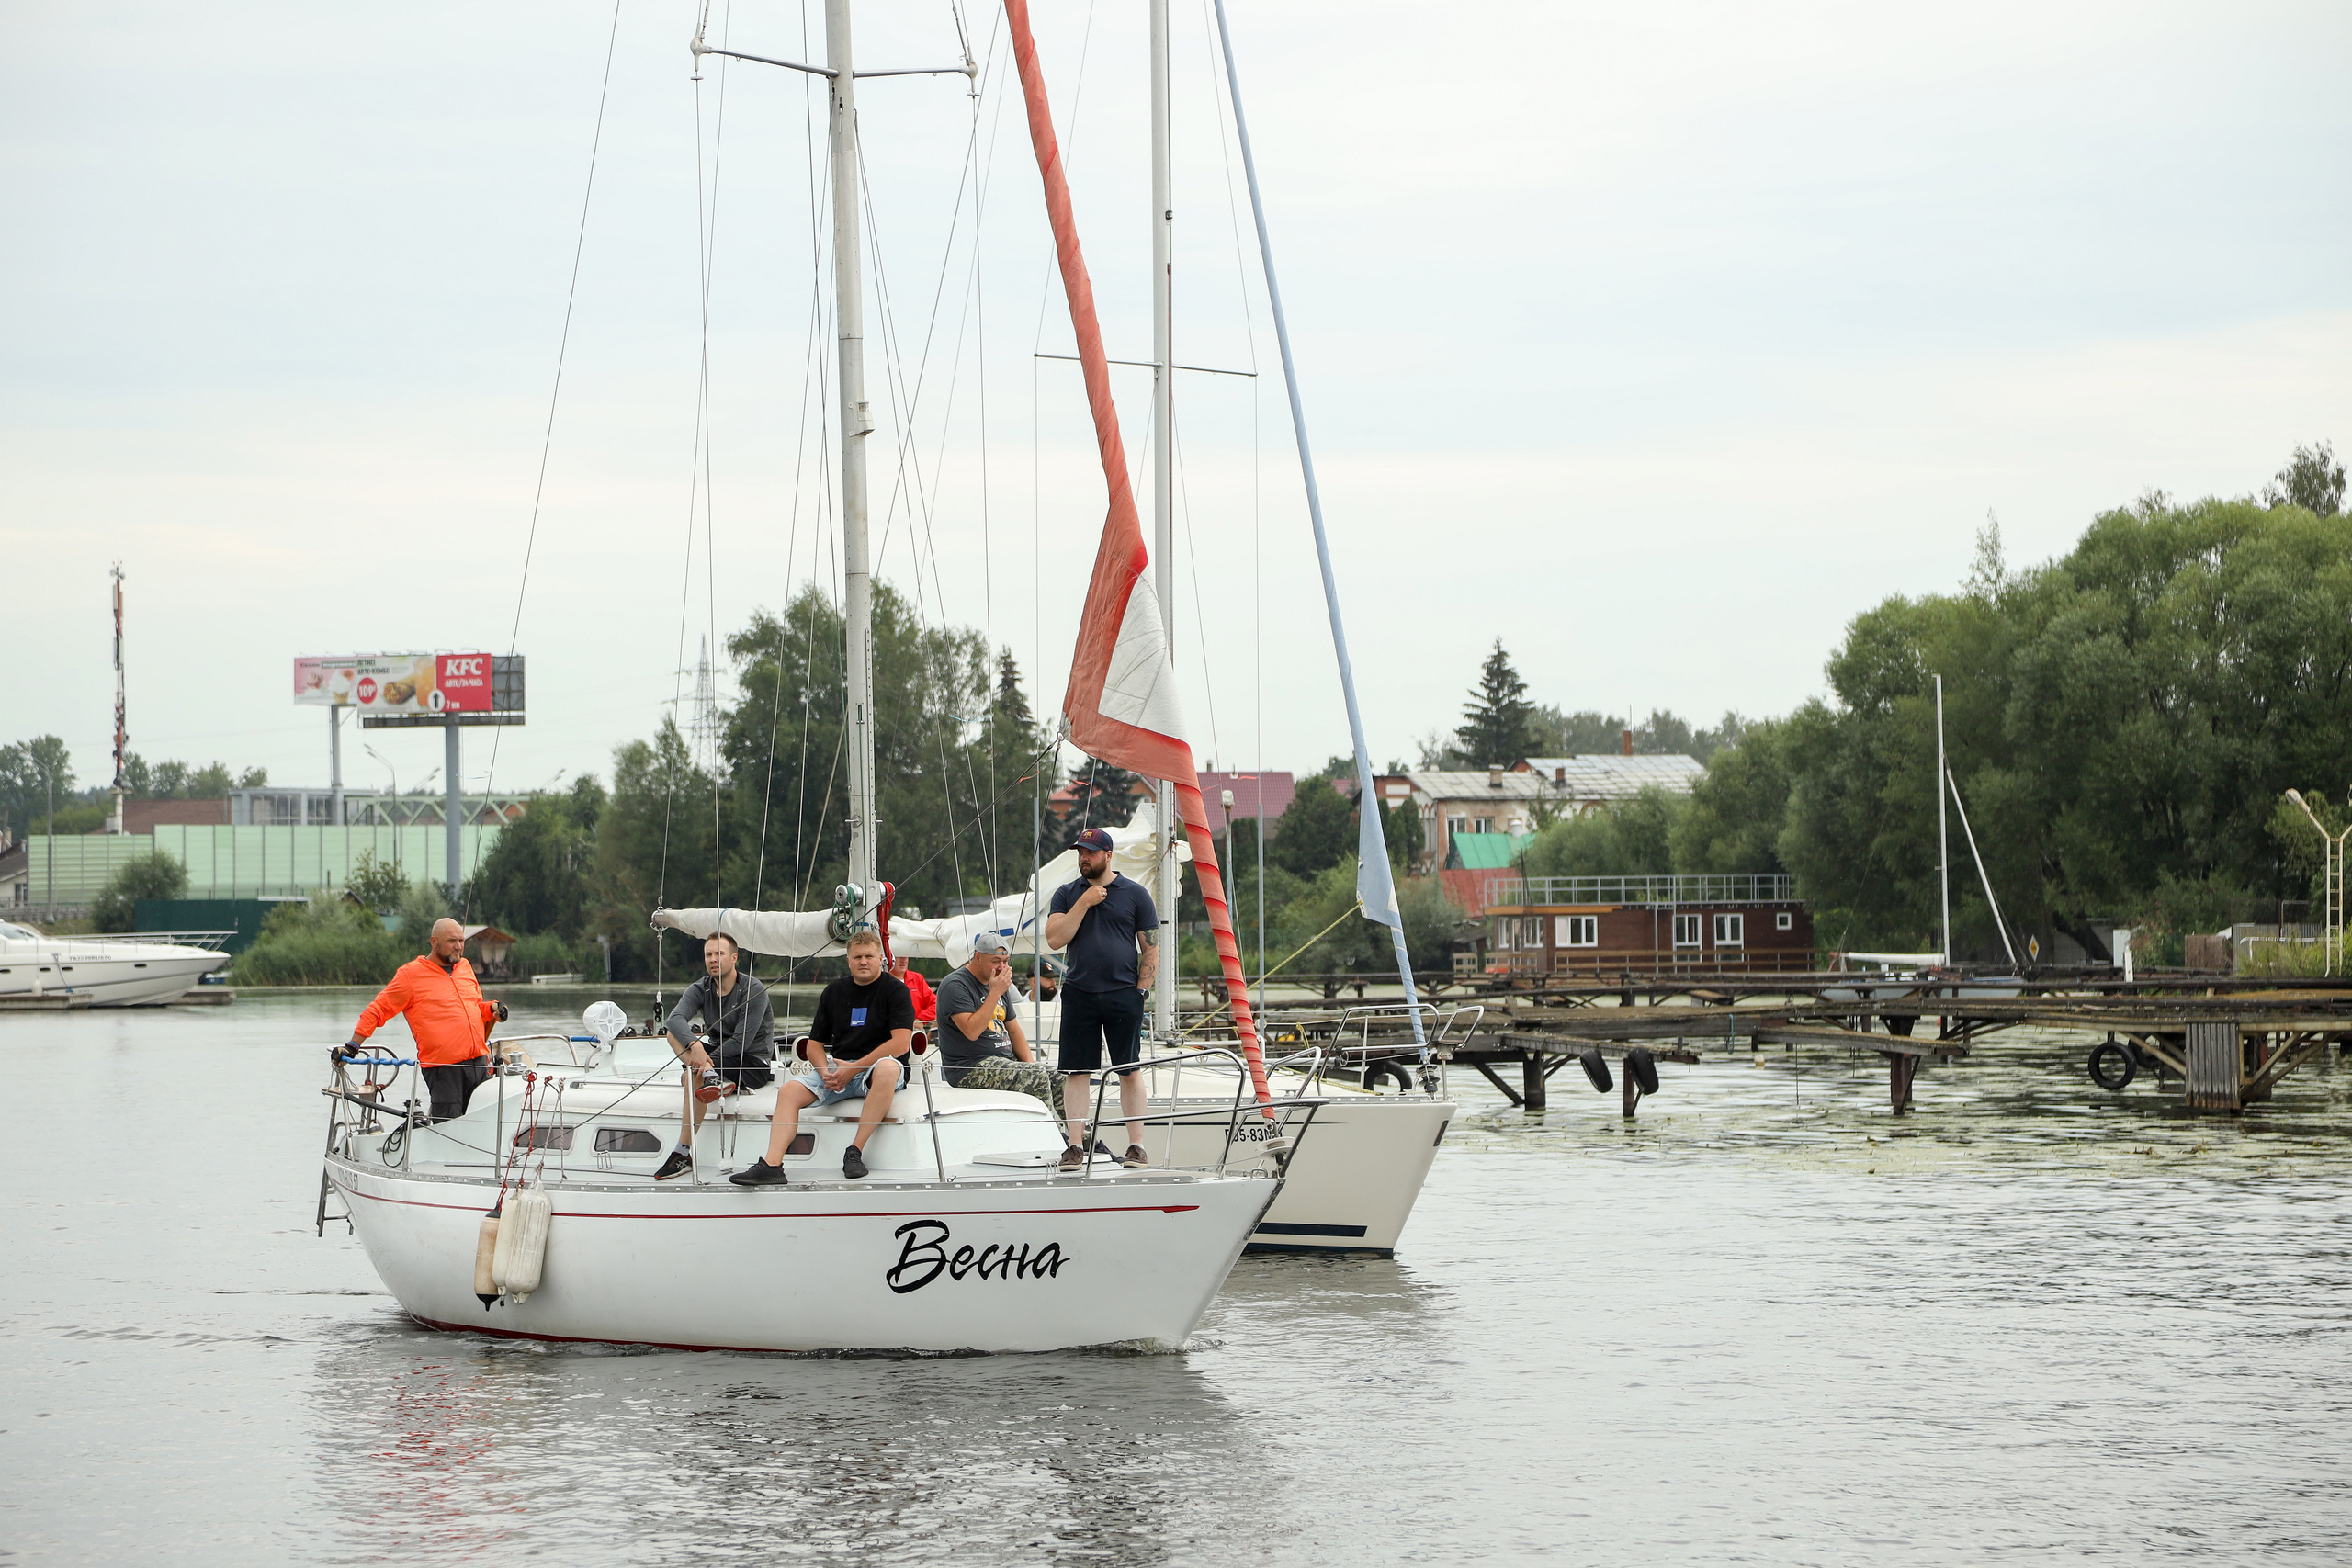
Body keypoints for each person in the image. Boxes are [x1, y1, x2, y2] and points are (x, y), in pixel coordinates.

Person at [730, 930, 910, 1186]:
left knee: (889, 1068)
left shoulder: (895, 991)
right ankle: (772, 1166)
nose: (863, 961)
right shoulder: (834, 991)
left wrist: (855, 1068)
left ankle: (855, 1152)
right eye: (857, 956)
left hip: (877, 1068)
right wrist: (824, 1070)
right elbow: (814, 1044)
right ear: (848, 961)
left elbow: (901, 1043)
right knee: (789, 1092)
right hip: (838, 1071)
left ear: (880, 957)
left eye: (869, 956)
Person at [1043, 826, 1158, 1170]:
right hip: (1080, 992)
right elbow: (1054, 939)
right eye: (1080, 853)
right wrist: (1084, 901)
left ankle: (1136, 1146)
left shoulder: (1135, 894)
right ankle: (1075, 1145)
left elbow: (1150, 948)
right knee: (1077, 1071)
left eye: (1090, 853)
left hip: (1124, 992)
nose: (1084, 859)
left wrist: (1142, 990)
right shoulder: (1066, 894)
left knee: (1129, 1070)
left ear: (1108, 855)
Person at [348, 918, 509, 1122]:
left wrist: (493, 1009)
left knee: (484, 1124)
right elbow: (378, 1009)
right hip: (444, 1070)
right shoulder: (410, 975)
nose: (458, 947)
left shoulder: (465, 967)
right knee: (450, 1130)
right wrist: (353, 1045)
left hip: (478, 1064)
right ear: (434, 942)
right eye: (452, 941)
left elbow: (475, 1009)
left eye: (461, 940)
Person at [653, 932, 775, 1180]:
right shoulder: (702, 987)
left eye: (719, 954)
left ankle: (683, 1153)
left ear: (734, 958)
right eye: (709, 954)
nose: (713, 960)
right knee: (673, 1035)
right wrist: (695, 1046)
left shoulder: (753, 989)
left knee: (691, 1078)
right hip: (720, 1058)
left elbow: (742, 1041)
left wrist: (703, 1062)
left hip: (751, 1063)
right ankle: (712, 1076)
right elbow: (674, 1020)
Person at [933, 932, 1057, 1109]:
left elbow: (1014, 1030)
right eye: (996, 961)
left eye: (1006, 961)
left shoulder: (998, 984)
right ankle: (1052, 1132)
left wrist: (1030, 1063)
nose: (1002, 967)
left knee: (1058, 1076)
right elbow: (972, 1031)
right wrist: (995, 993)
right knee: (1036, 1075)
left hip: (1005, 1060)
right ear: (978, 957)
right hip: (969, 1067)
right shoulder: (955, 985)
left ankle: (1078, 1135)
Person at [890, 954, 938, 1024]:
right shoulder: (882, 980)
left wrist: (921, 1020)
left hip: (914, 1031)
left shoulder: (917, 979)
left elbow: (936, 1004)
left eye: (906, 956)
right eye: (899, 956)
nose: (903, 960)